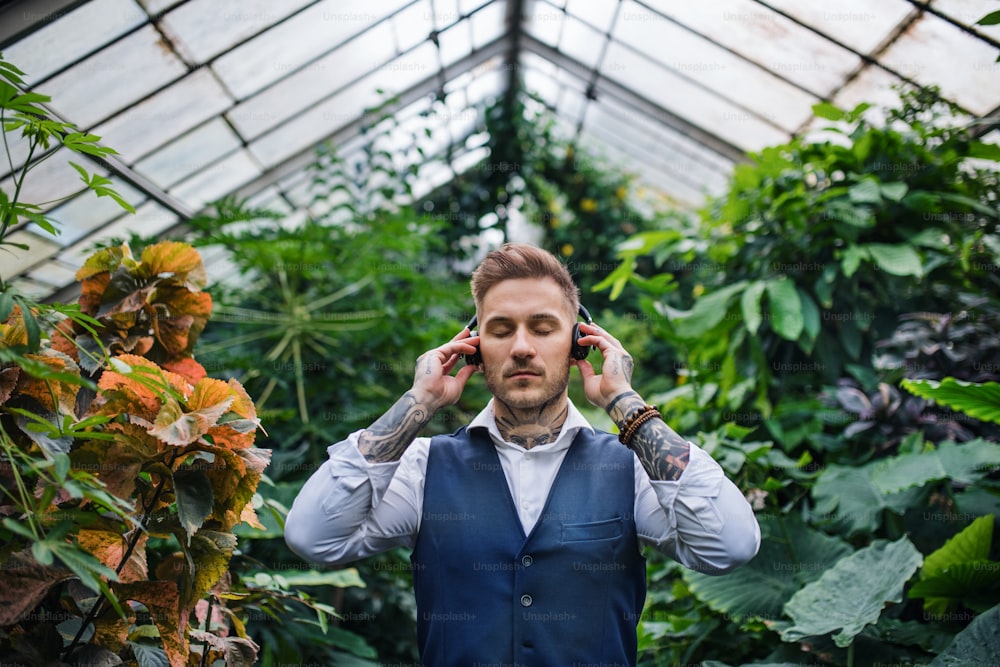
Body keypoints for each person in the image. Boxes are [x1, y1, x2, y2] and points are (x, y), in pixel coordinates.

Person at [285, 243, 760, 666]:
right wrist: (419, 402)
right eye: (500, 330)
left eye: (543, 327)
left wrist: (625, 403)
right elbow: (313, 537)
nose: (521, 348)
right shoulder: (423, 467)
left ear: (579, 343)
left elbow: (730, 546)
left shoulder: (631, 467)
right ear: (473, 348)